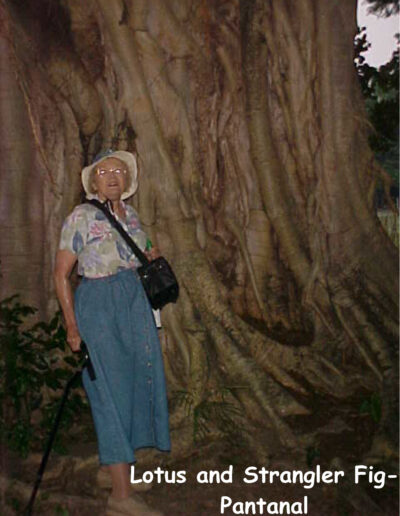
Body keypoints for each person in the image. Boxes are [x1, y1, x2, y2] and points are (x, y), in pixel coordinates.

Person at [54, 149, 170, 516]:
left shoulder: (131, 215)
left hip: (133, 301)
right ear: (93, 180)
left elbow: (146, 249)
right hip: (99, 305)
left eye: (119, 171)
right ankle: (120, 499)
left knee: (135, 383)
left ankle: (116, 472)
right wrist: (72, 325)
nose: (113, 176)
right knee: (110, 391)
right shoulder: (81, 217)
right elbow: (61, 274)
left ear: (127, 180)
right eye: (105, 171)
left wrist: (151, 255)